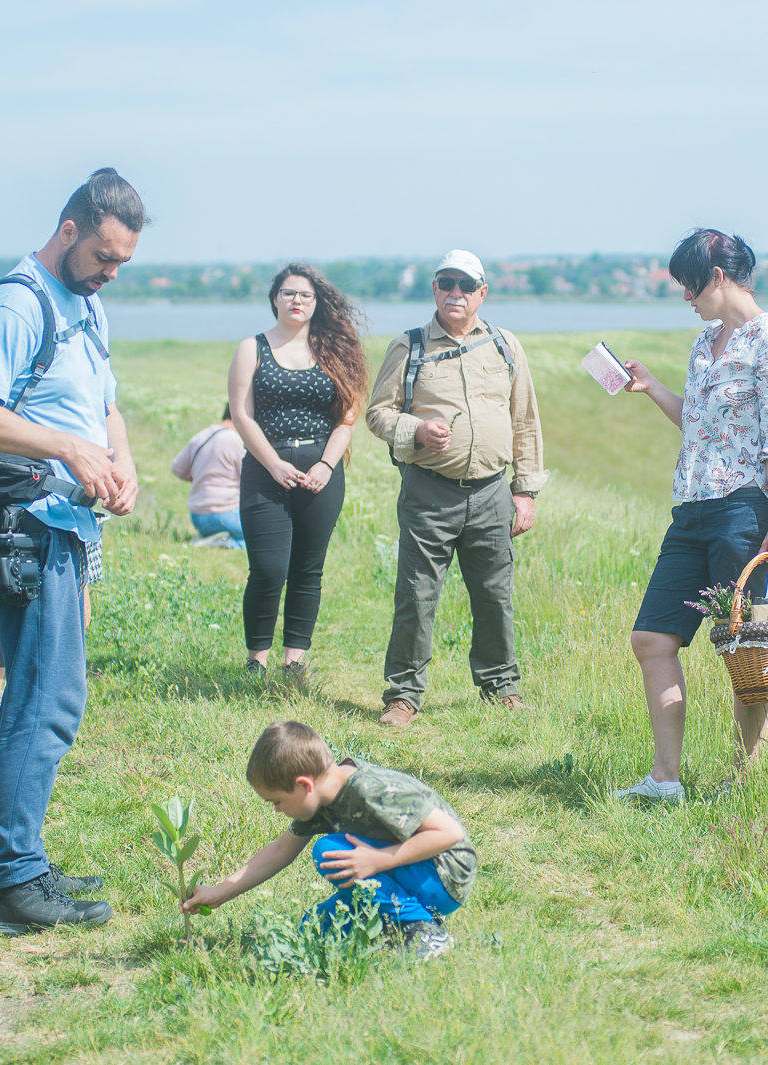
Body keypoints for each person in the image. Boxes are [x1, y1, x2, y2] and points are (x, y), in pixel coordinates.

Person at [0, 168, 146, 933]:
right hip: (25, 522)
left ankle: (26, 861)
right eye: (104, 255)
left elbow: (104, 406)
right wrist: (69, 447)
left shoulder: (87, 305)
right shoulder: (16, 300)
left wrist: (116, 459)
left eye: (124, 260)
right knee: (43, 699)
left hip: (68, 521)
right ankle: (16, 881)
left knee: (50, 695)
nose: (111, 272)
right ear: (69, 231)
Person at [613, 229, 768, 802]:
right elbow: (699, 422)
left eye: (689, 285)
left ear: (717, 277)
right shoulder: (704, 344)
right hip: (692, 511)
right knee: (651, 638)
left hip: (747, 513)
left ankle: (750, 780)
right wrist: (651, 389)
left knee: (742, 651)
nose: (685, 298)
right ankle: (665, 780)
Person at [364, 249, 548, 728]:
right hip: (429, 491)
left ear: (482, 293)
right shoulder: (408, 347)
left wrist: (524, 491)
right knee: (417, 595)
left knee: (494, 595)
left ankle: (501, 686)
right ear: (434, 289)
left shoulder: (505, 345)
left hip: (492, 493)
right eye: (447, 283)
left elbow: (524, 421)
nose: (456, 293)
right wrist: (417, 430)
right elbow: (378, 414)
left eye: (466, 286)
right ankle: (402, 697)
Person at [183, 720, 473, 959]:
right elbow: (281, 850)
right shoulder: (321, 799)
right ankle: (403, 922)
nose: (276, 810)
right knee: (315, 929)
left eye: (277, 801)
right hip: (408, 874)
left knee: (328, 850)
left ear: (303, 785)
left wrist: (377, 860)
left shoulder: (369, 789)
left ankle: (420, 927)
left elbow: (449, 833)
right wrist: (220, 892)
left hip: (444, 876)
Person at [225, 264, 368, 681]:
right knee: (268, 568)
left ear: (317, 302)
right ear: (275, 299)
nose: (297, 301)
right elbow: (241, 414)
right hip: (265, 470)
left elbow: (347, 419)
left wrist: (326, 465)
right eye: (288, 293)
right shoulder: (251, 348)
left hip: (321, 474)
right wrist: (272, 463)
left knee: (308, 568)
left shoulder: (335, 351)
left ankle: (294, 662)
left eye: (305, 295)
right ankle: (256, 659)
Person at [171, 403, 246, 549]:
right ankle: (222, 543)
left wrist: (202, 477)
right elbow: (249, 477)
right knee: (263, 536)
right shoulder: (235, 440)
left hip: (197, 517)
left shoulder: (201, 436)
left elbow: (177, 468)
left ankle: (208, 537)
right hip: (224, 515)